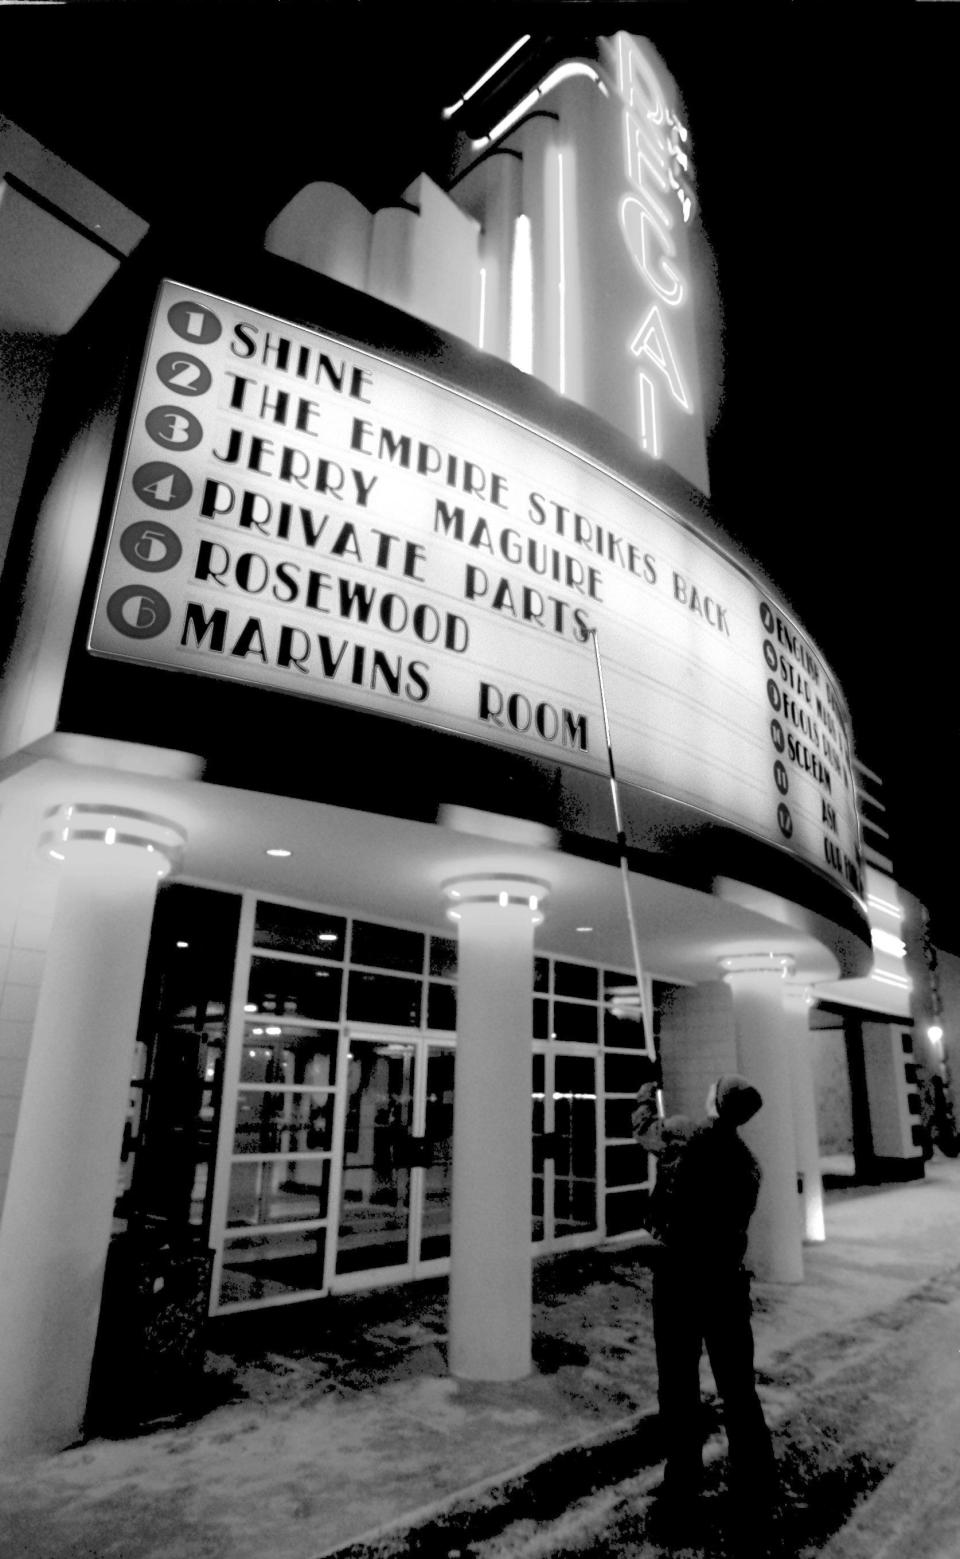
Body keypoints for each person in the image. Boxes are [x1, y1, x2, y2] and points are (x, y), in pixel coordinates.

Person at [632, 1074, 776, 1534]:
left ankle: (682, 1483)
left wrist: (644, 1094)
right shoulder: (748, 1164)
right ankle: (754, 1479)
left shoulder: (683, 1135)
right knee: (737, 1386)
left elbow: (644, 1130)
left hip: (680, 1278)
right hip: (727, 1283)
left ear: (716, 1103)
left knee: (678, 1384)